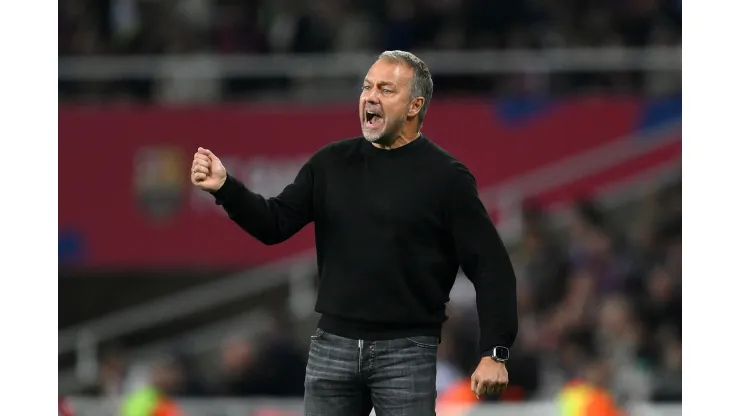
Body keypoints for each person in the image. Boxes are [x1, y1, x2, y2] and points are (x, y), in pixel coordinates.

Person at [191, 50, 518, 415]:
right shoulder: (330, 163)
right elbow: (274, 224)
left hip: (406, 353)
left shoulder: (447, 178)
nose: (370, 96)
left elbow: (492, 268)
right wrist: (225, 188)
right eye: (367, 87)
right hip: (332, 348)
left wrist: (494, 352)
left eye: (386, 89)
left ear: (415, 106)